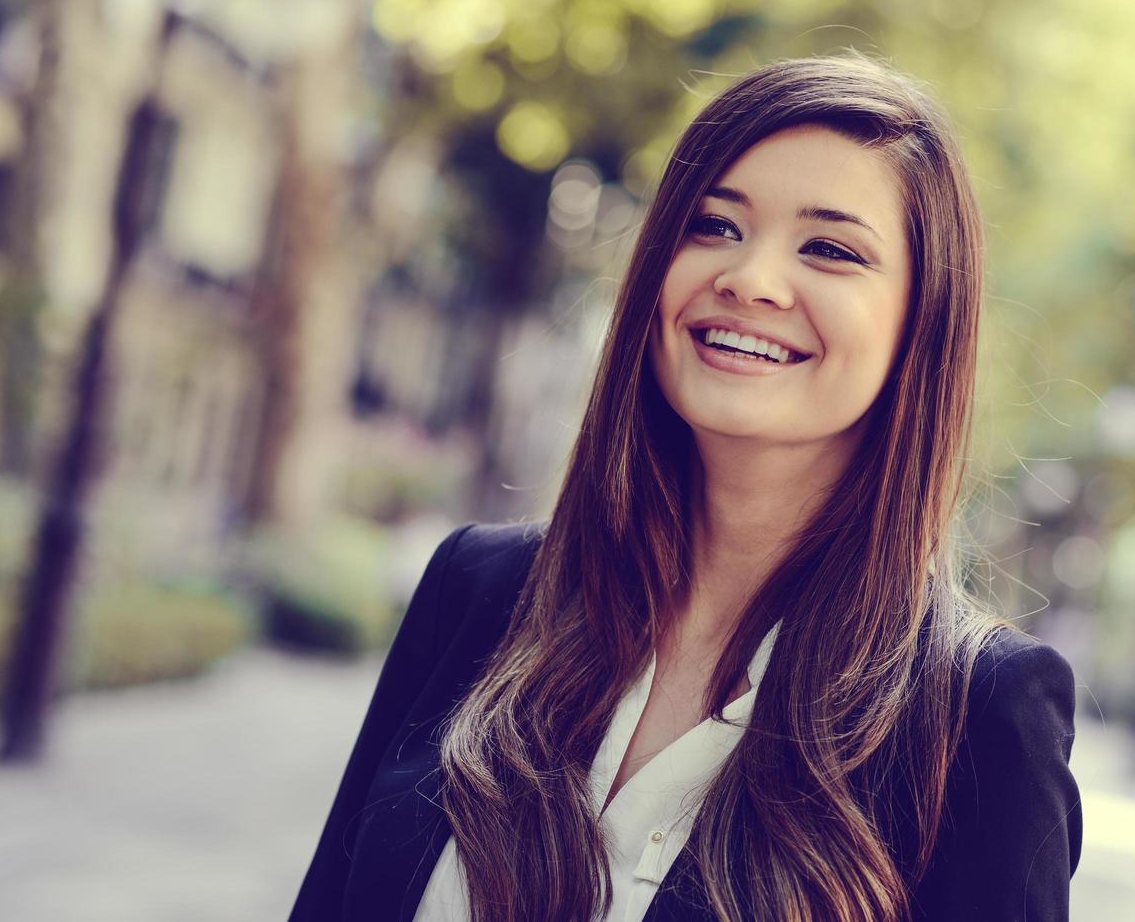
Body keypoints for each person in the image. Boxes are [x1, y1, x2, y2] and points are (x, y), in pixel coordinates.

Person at [291, 52, 1082, 922]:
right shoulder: (480, 591)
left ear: (918, 327)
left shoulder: (980, 716)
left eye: (829, 248)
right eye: (712, 226)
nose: (746, 278)